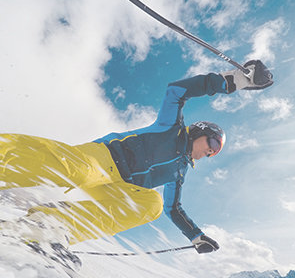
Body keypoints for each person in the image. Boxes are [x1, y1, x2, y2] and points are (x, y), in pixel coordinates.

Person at [0, 60, 273, 252]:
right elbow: (176, 91)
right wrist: (234, 81)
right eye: (213, 142)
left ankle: (45, 228)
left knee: (151, 204)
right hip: (105, 159)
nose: (212, 151)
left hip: (119, 186)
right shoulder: (172, 129)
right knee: (77, 170)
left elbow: (172, 209)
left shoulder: (179, 172)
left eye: (217, 151)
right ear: (199, 131)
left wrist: (196, 237)